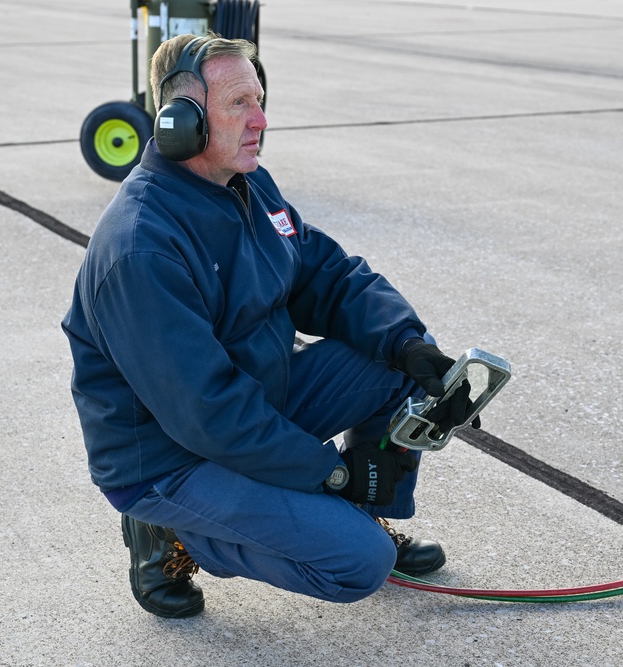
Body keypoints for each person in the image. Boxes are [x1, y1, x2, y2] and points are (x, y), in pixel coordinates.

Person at [61, 32, 477, 619]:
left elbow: (326, 275)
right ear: (183, 121)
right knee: (358, 564)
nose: (259, 120)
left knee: (394, 365)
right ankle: (169, 531)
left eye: (261, 100)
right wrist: (332, 474)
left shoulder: (247, 183)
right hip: (169, 456)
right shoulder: (141, 248)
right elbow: (209, 413)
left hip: (254, 399)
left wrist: (414, 349)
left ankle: (363, 512)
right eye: (239, 104)